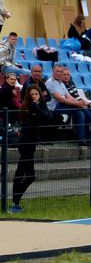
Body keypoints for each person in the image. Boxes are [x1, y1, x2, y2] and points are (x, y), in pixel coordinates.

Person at [9, 85, 56, 213]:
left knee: (24, 174)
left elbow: (49, 116)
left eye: (36, 94)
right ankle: (14, 203)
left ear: (40, 95)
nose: (34, 96)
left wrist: (39, 106)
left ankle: (15, 203)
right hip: (26, 144)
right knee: (28, 175)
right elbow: (44, 116)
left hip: (31, 143)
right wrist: (36, 106)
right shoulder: (28, 107)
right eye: (32, 94)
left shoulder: (40, 106)